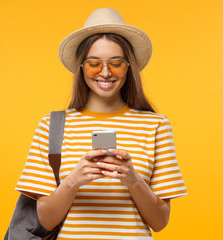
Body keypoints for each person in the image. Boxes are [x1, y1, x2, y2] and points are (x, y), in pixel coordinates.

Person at [15, 8, 187, 240]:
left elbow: (159, 222)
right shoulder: (51, 126)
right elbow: (45, 220)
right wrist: (75, 179)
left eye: (115, 63)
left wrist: (132, 179)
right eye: (94, 63)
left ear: (128, 67)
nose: (105, 73)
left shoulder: (155, 125)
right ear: (81, 67)